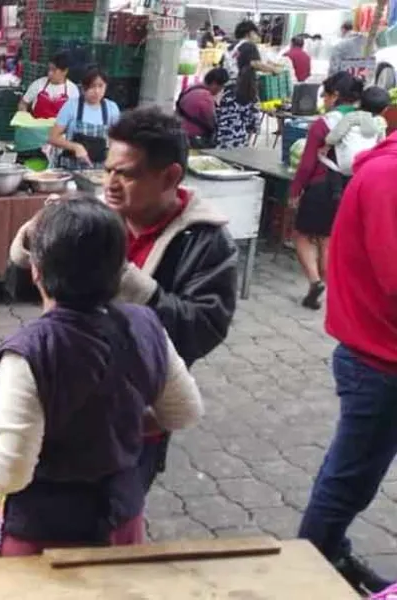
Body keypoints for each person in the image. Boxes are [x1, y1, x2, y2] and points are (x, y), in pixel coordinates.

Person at [10, 107, 236, 491]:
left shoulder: (205, 240)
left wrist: (124, 277)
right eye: (108, 169)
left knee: (113, 522)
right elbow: (17, 287)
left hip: (137, 422)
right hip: (63, 406)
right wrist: (36, 239)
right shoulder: (95, 215)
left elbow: (200, 330)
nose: (110, 183)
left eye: (126, 174)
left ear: (171, 176)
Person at [0, 196, 203, 557]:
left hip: (44, 541)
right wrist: (117, 423)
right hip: (119, 522)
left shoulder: (29, 354)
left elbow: (10, 472)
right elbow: (183, 412)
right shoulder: (145, 323)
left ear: (36, 271)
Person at [297, 115, 397, 596]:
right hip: (378, 360)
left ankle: (328, 553)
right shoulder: (387, 177)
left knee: (354, 477)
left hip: (384, 355)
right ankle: (308, 573)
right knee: (348, 481)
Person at [290, 73, 361, 310]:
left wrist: (295, 191)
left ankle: (315, 280)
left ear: (336, 95)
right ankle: (333, 295)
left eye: (326, 95)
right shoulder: (367, 120)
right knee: (328, 239)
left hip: (322, 186)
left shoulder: (324, 123)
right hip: (352, 187)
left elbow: (308, 163)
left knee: (301, 235)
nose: (325, 100)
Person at [50, 67, 121, 170]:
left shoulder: (112, 108)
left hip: (98, 172)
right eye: (92, 87)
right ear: (83, 88)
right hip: (71, 169)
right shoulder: (71, 106)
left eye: (101, 86)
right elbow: (53, 137)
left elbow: (116, 141)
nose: (97, 91)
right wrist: (75, 147)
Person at [322, 85, 389, 179]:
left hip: (345, 166)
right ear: (384, 110)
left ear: (359, 102)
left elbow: (332, 138)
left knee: (328, 151)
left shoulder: (350, 117)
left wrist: (326, 146)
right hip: (366, 166)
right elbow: (381, 144)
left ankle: (336, 188)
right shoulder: (381, 122)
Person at [215, 49, 262, 149]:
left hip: (221, 138)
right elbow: (254, 124)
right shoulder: (252, 97)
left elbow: (219, 113)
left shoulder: (228, 92)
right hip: (240, 139)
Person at [176, 68, 229, 148]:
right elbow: (211, 122)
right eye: (221, 87)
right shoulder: (206, 97)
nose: (220, 90)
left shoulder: (191, 88)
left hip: (180, 133)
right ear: (214, 83)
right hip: (194, 139)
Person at [18, 53, 80, 119]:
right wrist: (24, 117)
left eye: (54, 70)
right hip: (36, 127)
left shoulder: (73, 90)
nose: (49, 73)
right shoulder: (38, 84)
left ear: (65, 71)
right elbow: (23, 103)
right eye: (49, 69)